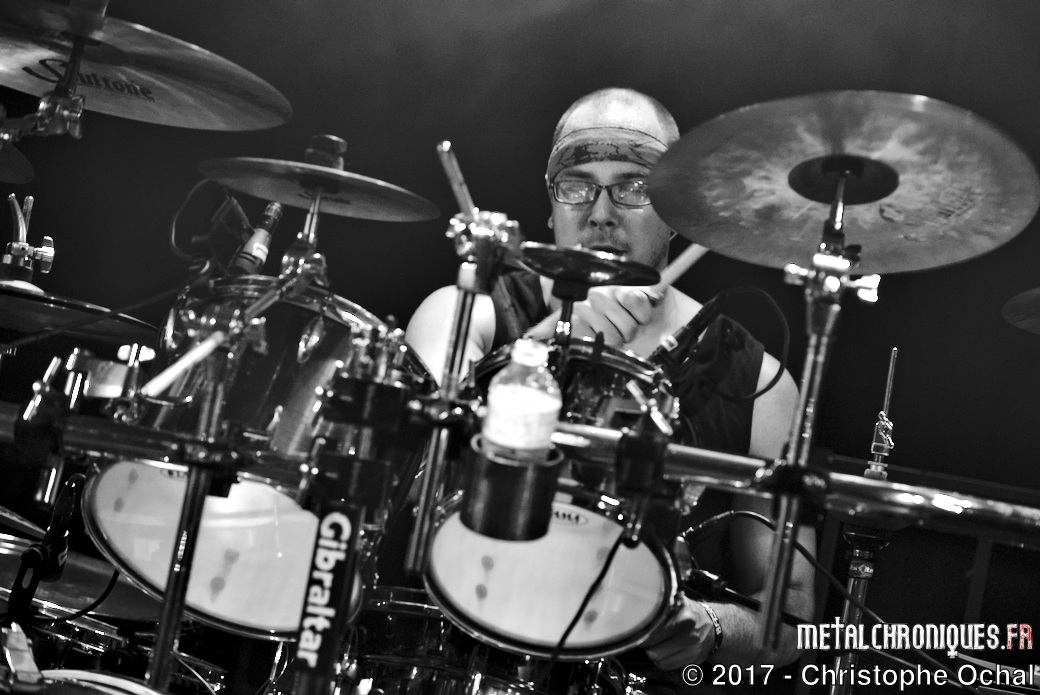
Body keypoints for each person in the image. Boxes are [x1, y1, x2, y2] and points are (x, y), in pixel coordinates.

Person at [406, 88, 816, 676]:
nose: (600, 212)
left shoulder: (761, 383)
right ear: (550, 204)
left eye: (635, 186)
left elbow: (793, 610)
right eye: (576, 185)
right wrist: (551, 339)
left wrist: (712, 626)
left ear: (678, 210)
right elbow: (412, 481)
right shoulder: (467, 311)